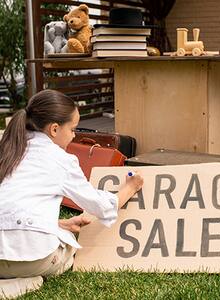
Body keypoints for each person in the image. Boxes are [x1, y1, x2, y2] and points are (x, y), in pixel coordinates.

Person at [0, 89, 143, 298]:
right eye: (73, 129)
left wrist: (58, 224)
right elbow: (101, 206)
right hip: (32, 259)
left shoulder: (8, 151)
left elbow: (11, 208)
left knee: (60, 233)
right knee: (69, 249)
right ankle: (21, 284)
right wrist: (131, 187)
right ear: (55, 129)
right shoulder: (60, 160)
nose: (75, 135)